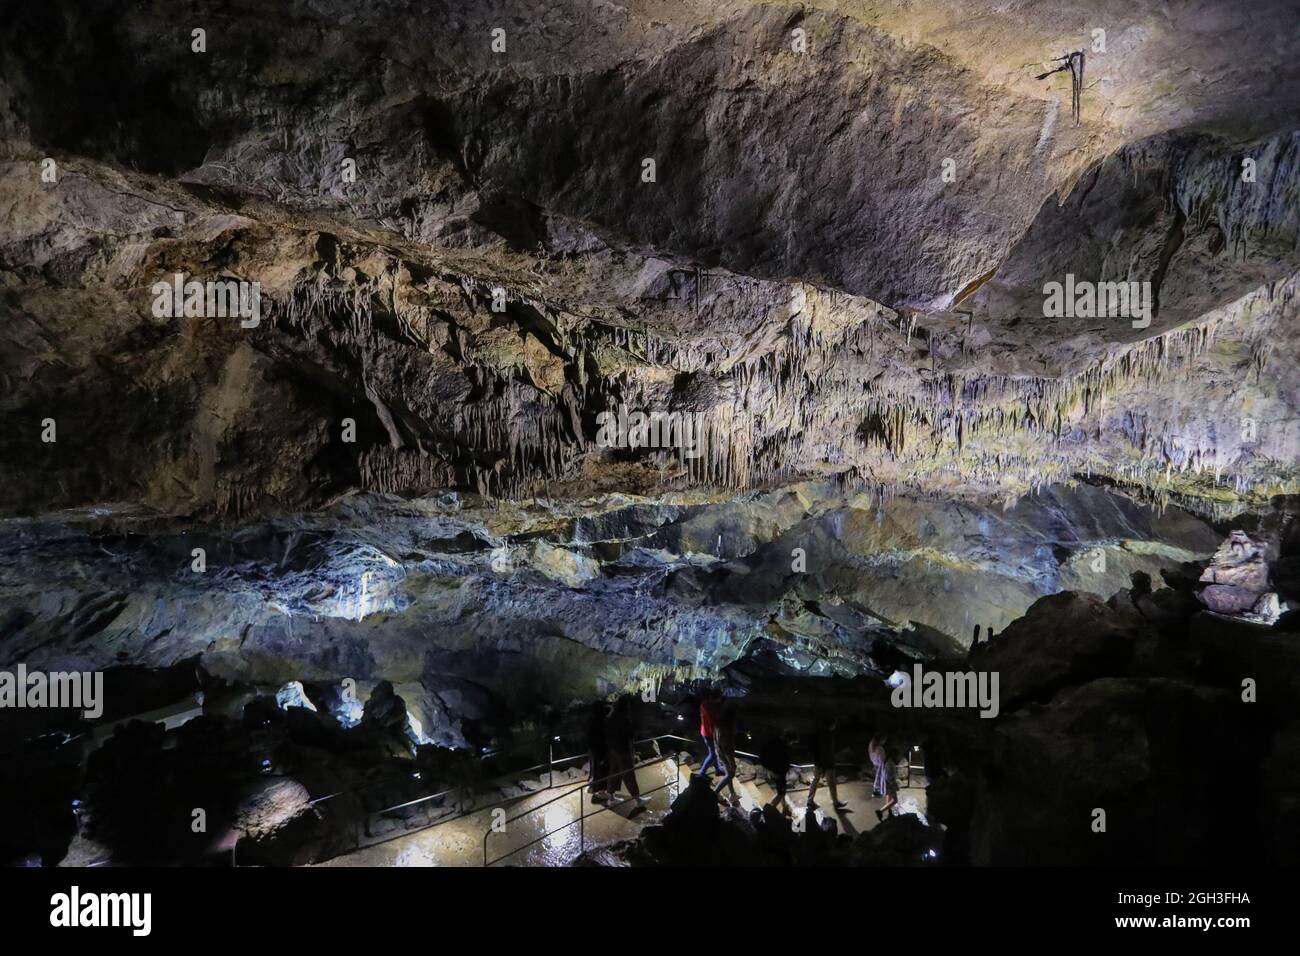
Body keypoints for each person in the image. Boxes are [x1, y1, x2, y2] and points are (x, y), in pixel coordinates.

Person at [604, 695, 646, 812]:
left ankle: (611, 798)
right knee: (629, 774)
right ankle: (638, 800)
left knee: (614, 772)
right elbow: (631, 734)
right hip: (623, 750)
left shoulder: (611, 717)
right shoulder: (624, 718)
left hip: (613, 749)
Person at [807, 718, 847, 811]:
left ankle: (810, 801)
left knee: (816, 780)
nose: (835, 726)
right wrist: (824, 767)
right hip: (827, 764)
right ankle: (835, 802)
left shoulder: (820, 733)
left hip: (819, 763)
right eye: (834, 724)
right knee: (831, 783)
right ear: (831, 725)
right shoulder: (827, 736)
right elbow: (825, 752)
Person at [712, 697, 740, 807]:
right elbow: (727, 747)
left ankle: (732, 793)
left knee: (728, 773)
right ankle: (715, 792)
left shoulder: (718, 721)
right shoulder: (726, 729)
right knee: (730, 773)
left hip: (718, 750)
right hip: (724, 754)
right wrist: (732, 763)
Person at [759, 730, 793, 815]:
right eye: (791, 741)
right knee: (781, 793)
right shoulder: (775, 745)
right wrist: (770, 771)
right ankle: (767, 812)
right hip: (777, 773)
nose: (791, 744)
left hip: (779, 772)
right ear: (787, 738)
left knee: (781, 791)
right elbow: (763, 757)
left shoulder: (779, 743)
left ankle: (784, 807)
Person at [870, 732, 899, 822]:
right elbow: (890, 776)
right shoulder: (889, 763)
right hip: (889, 783)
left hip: (884, 780)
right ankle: (880, 811)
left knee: (888, 796)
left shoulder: (873, 747)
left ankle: (889, 812)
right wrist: (895, 785)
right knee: (895, 800)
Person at [586, 699, 610, 803]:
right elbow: (601, 738)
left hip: (593, 749)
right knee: (601, 771)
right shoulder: (600, 722)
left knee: (595, 770)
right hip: (599, 750)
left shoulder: (592, 720)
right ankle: (600, 792)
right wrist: (602, 756)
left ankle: (594, 787)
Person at [697, 687, 724, 779]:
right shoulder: (712, 709)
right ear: (716, 698)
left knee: (713, 752)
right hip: (710, 734)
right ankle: (701, 772)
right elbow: (714, 723)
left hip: (704, 731)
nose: (721, 700)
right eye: (720, 698)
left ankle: (717, 770)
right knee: (713, 754)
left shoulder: (704, 704)